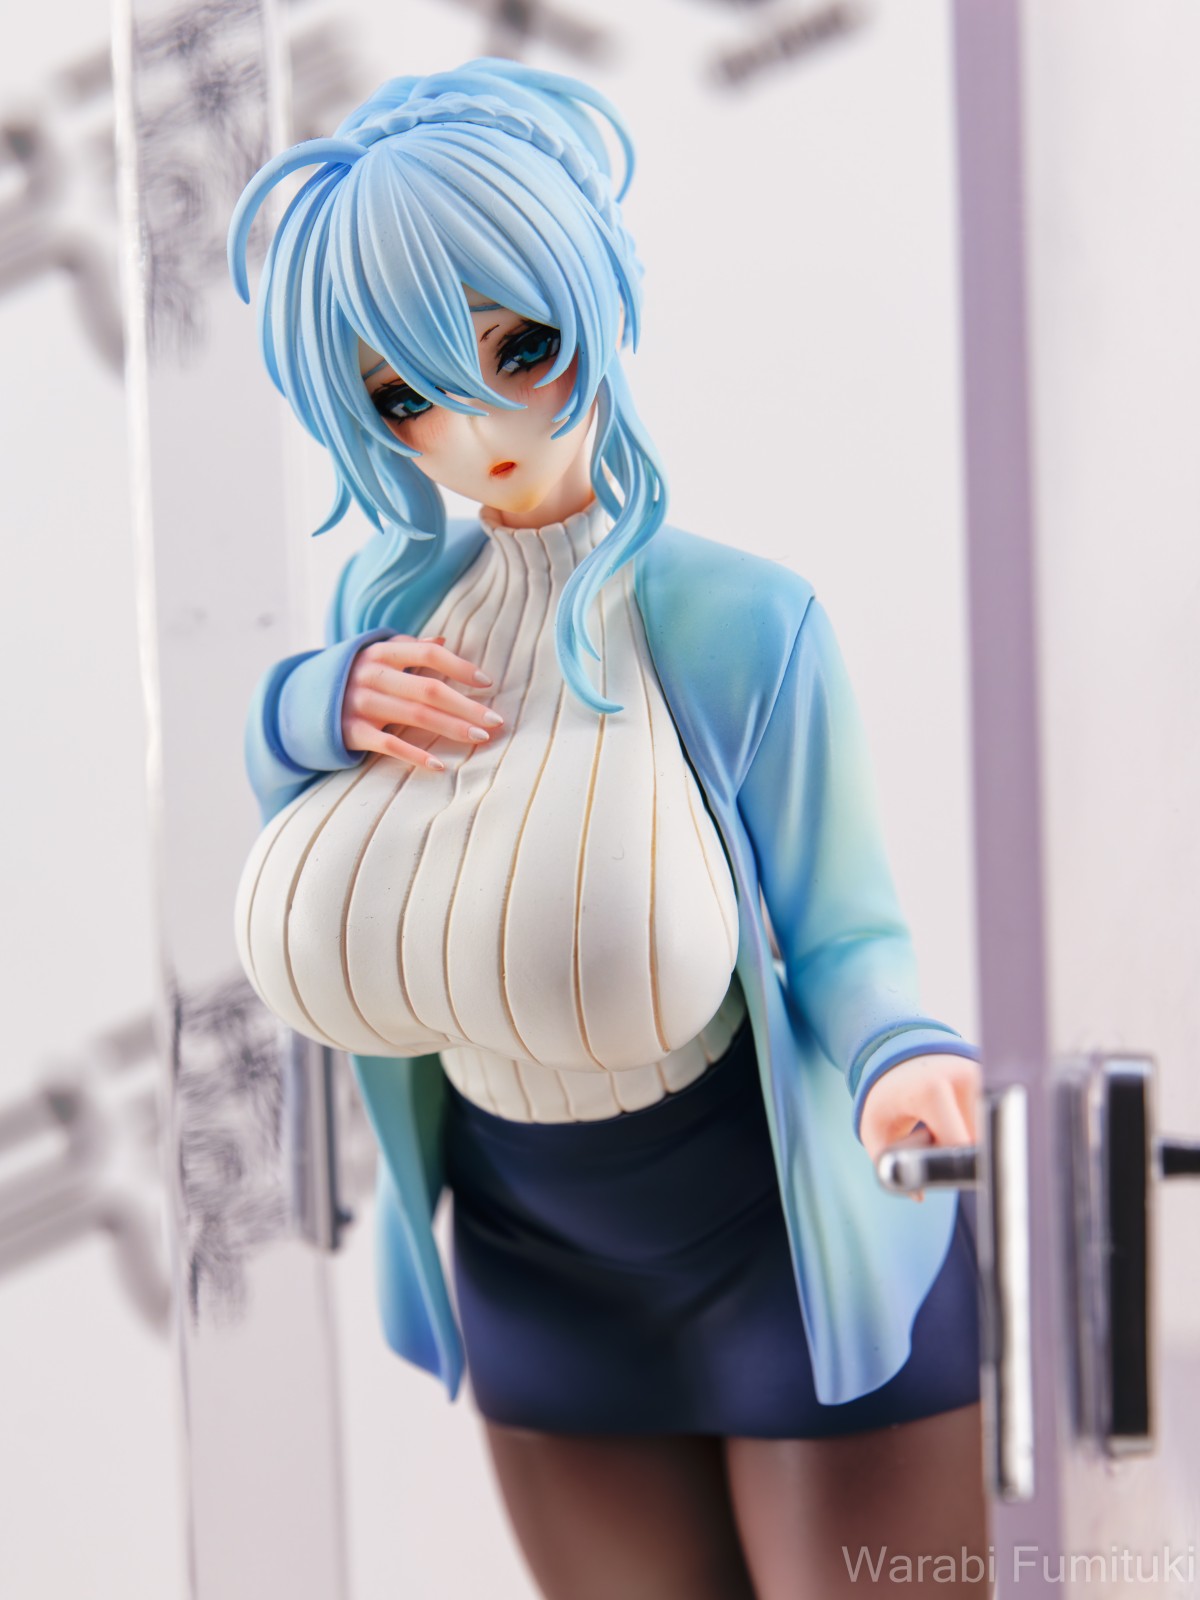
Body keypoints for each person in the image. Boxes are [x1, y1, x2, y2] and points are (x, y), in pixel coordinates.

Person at [229, 58, 989, 1599]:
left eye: (523, 348)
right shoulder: (388, 611)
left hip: (774, 1234)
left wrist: (901, 1056)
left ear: (594, 296)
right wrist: (307, 704)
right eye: (406, 395)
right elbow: (319, 844)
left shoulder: (740, 621)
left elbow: (842, 925)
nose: (479, 423)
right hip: (532, 1260)